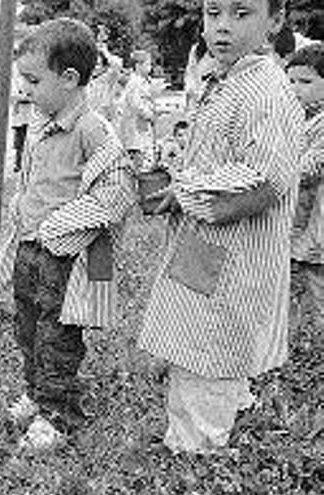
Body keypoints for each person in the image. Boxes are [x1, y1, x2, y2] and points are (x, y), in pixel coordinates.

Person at [139, 0, 305, 455]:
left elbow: (267, 178)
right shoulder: (227, 80)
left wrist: (186, 192)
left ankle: (197, 454)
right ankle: (212, 424)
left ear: (275, 20)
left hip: (234, 253)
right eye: (214, 13)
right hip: (205, 246)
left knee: (210, 347)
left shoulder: (266, 92)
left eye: (242, 13)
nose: (223, 28)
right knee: (196, 339)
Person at [8, 18, 134, 447]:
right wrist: (21, 208)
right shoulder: (41, 121)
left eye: (32, 80)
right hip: (30, 247)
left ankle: (58, 413)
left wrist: (58, 224)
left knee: (56, 335)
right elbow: (32, 179)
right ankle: (35, 391)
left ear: (69, 79)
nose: (25, 89)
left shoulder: (91, 129)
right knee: (26, 328)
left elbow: (117, 191)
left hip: (63, 256)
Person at [287, 43, 324, 329]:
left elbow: (308, 169)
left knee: (316, 287)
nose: (296, 88)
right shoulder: (303, 118)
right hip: (303, 222)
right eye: (291, 81)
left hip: (317, 225)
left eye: (306, 81)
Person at [121, 50, 157, 172]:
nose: (150, 67)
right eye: (147, 64)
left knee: (146, 152)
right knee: (139, 156)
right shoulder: (134, 82)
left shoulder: (143, 81)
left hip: (143, 127)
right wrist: (149, 114)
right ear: (138, 66)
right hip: (136, 128)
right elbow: (136, 104)